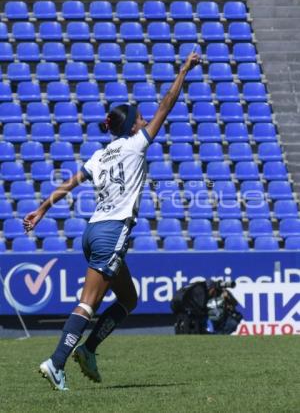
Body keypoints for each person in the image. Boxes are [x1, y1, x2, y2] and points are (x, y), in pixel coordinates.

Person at [23, 51, 200, 391]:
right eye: (140, 116)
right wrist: (183, 71)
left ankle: (88, 351)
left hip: (92, 232)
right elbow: (168, 103)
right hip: (112, 231)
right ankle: (56, 363)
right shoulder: (137, 144)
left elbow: (71, 181)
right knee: (89, 302)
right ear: (133, 124)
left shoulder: (100, 155)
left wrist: (43, 208)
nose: (145, 118)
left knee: (128, 299)